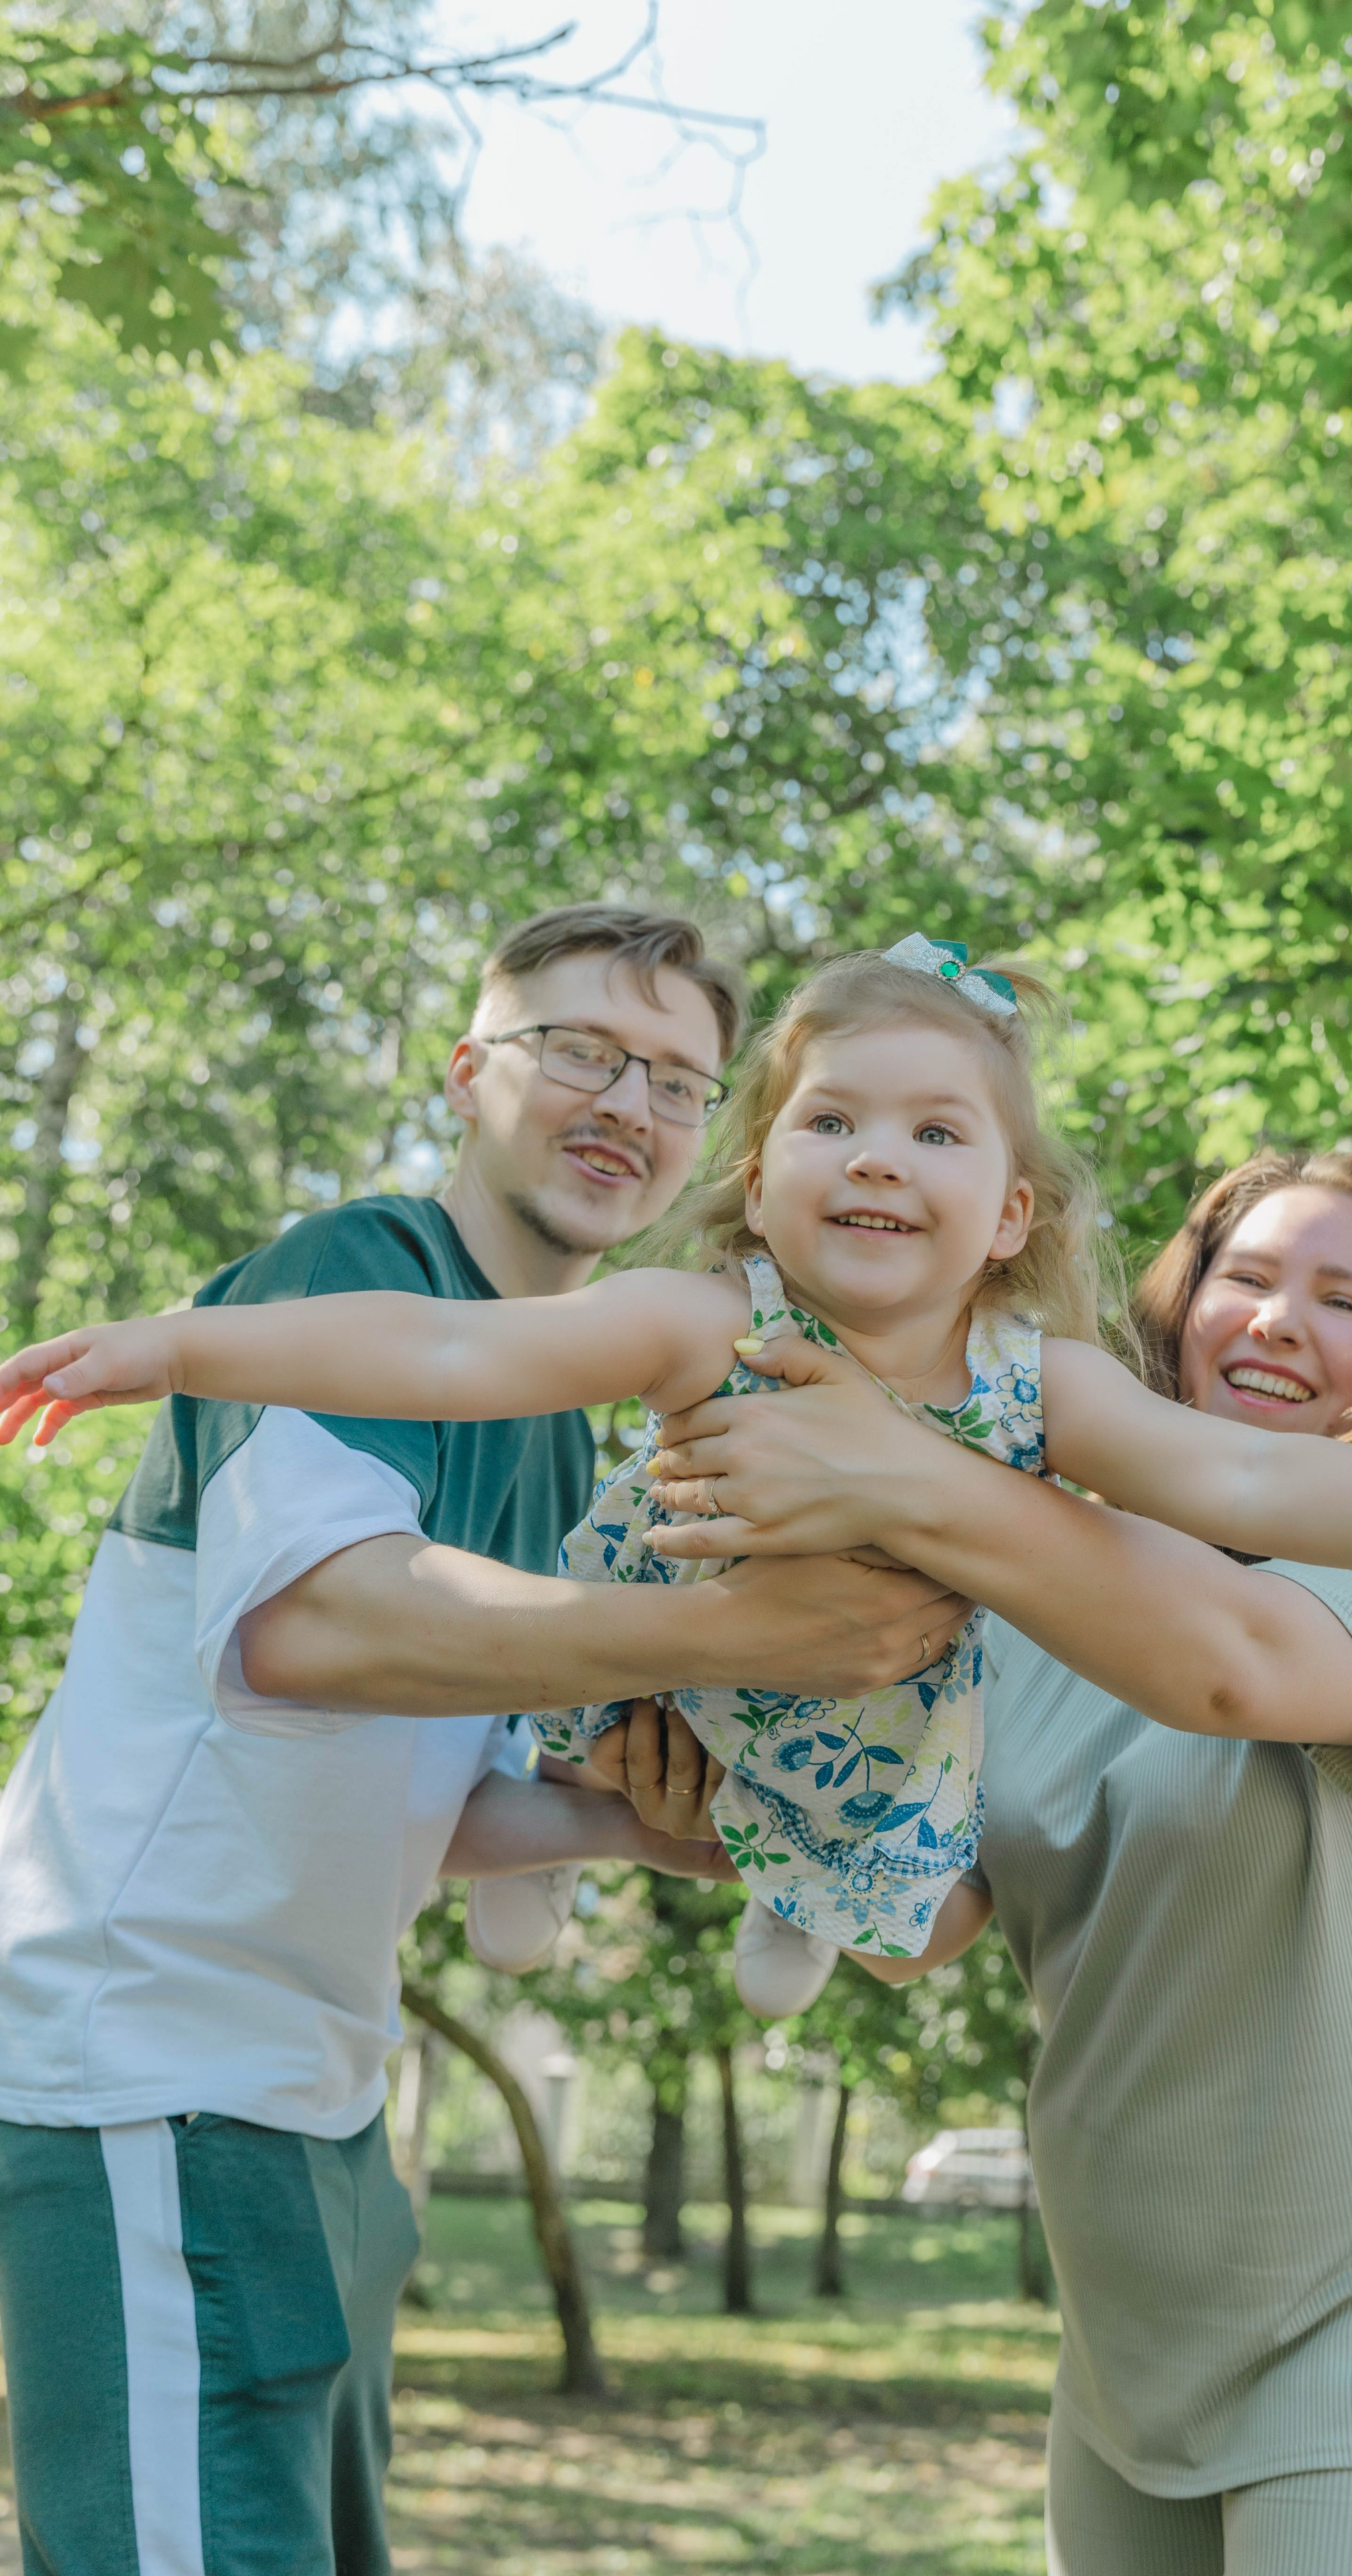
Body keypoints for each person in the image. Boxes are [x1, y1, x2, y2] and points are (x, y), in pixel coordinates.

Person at [5, 937, 1352, 2031]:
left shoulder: (1049, 1391)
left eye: (937, 1136)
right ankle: (532, 1847)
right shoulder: (700, 1316)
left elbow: (1265, 1483)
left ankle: (790, 1913)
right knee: (565, 1692)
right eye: (833, 1124)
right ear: (765, 1174)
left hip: (850, 1734)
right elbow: (445, 1356)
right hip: (671, 1648)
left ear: (1009, 1216)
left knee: (895, 1858)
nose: (877, 1157)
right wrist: (176, 1345)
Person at [0, 902, 967, 2576]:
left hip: (315, 2104)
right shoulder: (355, 1285)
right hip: (148, 2069)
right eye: (580, 1051)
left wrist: (633, 1826)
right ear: (468, 1074)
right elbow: (318, 1631)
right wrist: (733, 1634)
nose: (626, 1105)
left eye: (676, 1081)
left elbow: (421, 1793)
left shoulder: (564, 1423)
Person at [602, 1148, 1352, 2576]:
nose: (1279, 1318)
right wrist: (757, 1815)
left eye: (1341, 1299)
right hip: (1135, 2331)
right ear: (1175, 1320)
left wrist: (903, 1466)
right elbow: (932, 1916)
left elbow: (1227, 1670)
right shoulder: (1036, 1593)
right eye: (1246, 1277)